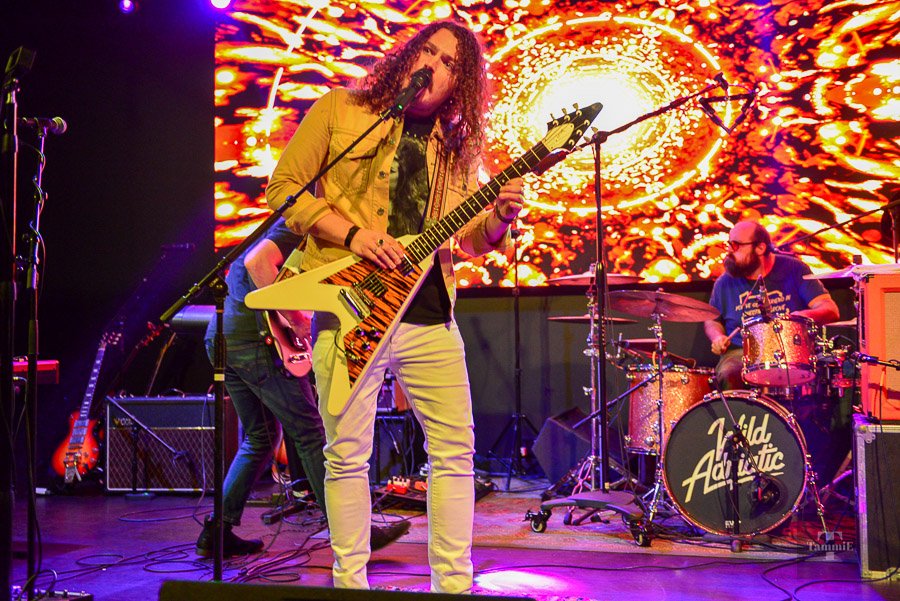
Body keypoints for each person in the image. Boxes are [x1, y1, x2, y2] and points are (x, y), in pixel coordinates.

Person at [265, 20, 525, 593]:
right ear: (408, 56)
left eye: (450, 63)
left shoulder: (455, 148)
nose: (433, 64)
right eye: (428, 50)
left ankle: (453, 585)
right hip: (351, 308)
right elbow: (283, 189)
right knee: (346, 456)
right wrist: (353, 235)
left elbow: (471, 240)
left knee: (455, 453)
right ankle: (350, 585)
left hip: (430, 316)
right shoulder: (340, 110)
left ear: (461, 85)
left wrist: (500, 220)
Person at [195, 219, 409, 558]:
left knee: (261, 437)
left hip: (225, 335)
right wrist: (296, 321)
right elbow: (257, 262)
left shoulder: (282, 225)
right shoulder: (300, 220)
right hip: (255, 341)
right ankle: (352, 532)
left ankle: (217, 531)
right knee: (310, 432)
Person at [703, 220, 840, 390]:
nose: (729, 251)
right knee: (729, 372)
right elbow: (712, 319)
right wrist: (717, 337)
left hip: (792, 350)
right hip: (743, 353)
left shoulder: (794, 269)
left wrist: (801, 316)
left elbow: (830, 309)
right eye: (729, 245)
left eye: (736, 245)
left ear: (760, 248)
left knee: (838, 369)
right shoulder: (724, 282)